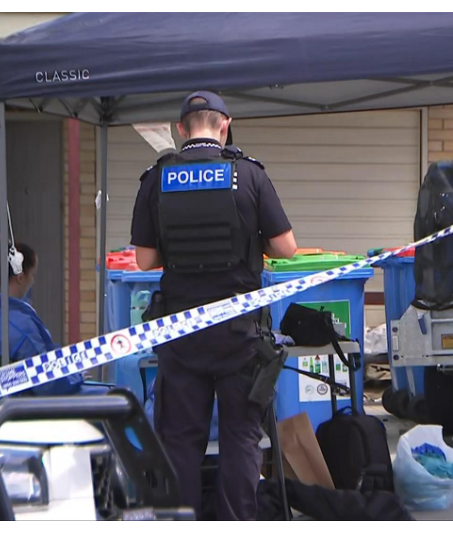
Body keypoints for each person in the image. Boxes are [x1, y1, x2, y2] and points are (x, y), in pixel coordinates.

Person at [130, 91, 297, 520]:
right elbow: (286, 247)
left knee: (180, 441)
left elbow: (144, 260)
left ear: (181, 129)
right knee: (241, 439)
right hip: (239, 334)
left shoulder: (157, 178)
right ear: (225, 125)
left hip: (181, 334)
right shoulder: (249, 174)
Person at [0, 233, 87, 396]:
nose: (33, 281)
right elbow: (47, 382)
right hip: (25, 406)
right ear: (20, 277)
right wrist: (76, 377)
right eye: (32, 275)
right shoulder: (22, 327)